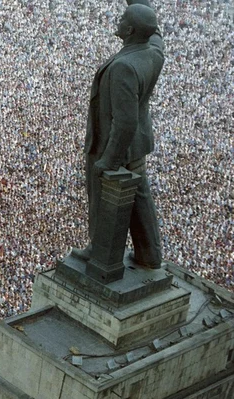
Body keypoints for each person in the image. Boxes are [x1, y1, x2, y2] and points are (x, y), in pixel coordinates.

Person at [74, 0, 165, 269]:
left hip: (114, 146)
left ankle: (99, 252)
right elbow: (156, 32)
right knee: (140, 197)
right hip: (138, 144)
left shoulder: (123, 67)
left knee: (103, 200)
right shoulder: (154, 52)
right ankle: (150, 253)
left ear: (130, 31)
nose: (118, 20)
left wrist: (108, 160)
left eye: (123, 18)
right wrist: (139, 3)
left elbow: (124, 122)